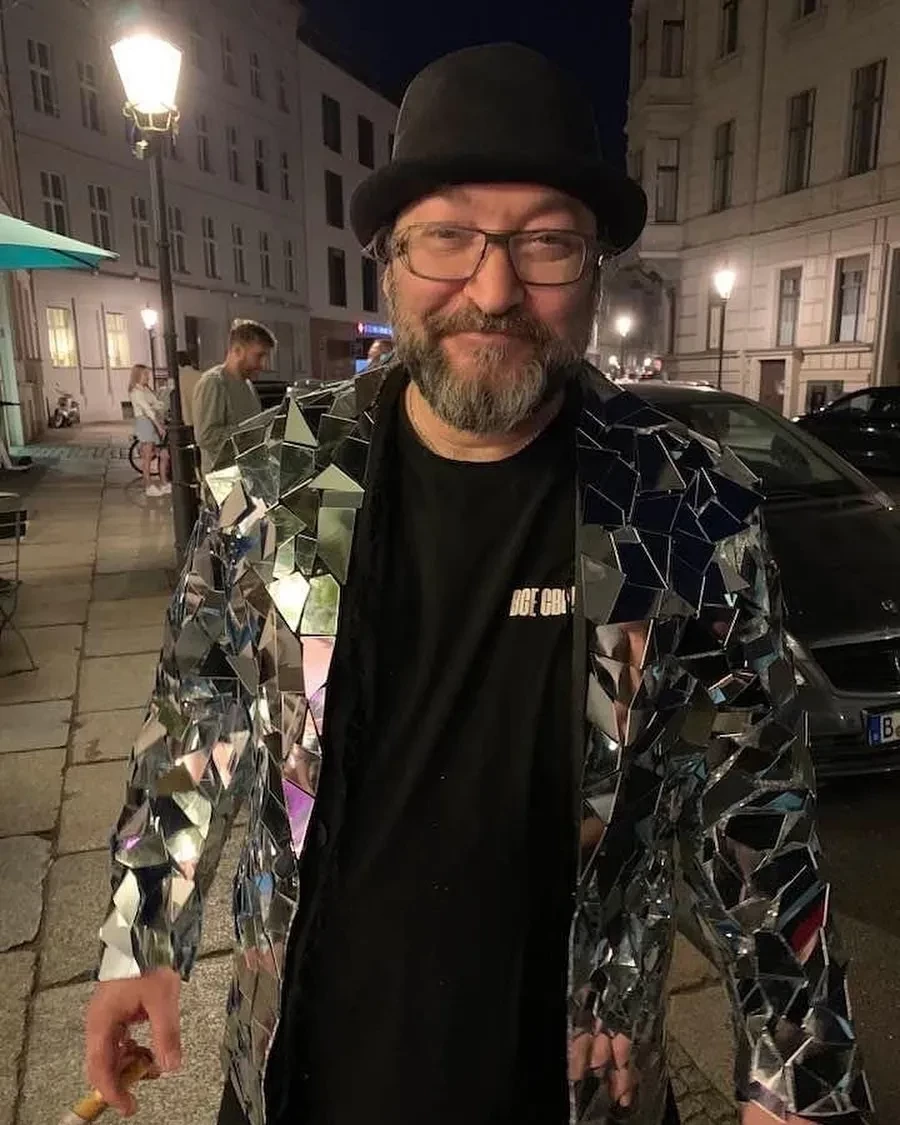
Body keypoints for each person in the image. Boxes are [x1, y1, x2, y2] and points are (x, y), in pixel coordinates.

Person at [85, 44, 872, 1125]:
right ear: (389, 258)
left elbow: (759, 813)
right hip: (306, 1067)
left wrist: (799, 1077)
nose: (494, 290)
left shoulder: (686, 504)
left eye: (546, 243)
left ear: (594, 269)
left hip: (579, 1084)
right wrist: (139, 940)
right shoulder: (278, 476)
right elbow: (195, 719)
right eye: (448, 235)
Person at [192, 320, 275, 474]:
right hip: (223, 482)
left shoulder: (248, 385)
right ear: (237, 350)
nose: (263, 364)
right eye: (259, 356)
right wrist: (255, 430)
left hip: (247, 477)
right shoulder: (213, 382)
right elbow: (206, 437)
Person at [128, 363, 170, 497]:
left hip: (153, 421)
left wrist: (161, 406)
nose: (148, 377)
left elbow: (156, 404)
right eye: (145, 374)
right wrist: (158, 425)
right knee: (147, 457)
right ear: (138, 375)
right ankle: (148, 486)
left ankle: (164, 483)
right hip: (145, 423)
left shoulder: (146, 390)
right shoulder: (136, 392)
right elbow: (147, 410)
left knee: (163, 454)